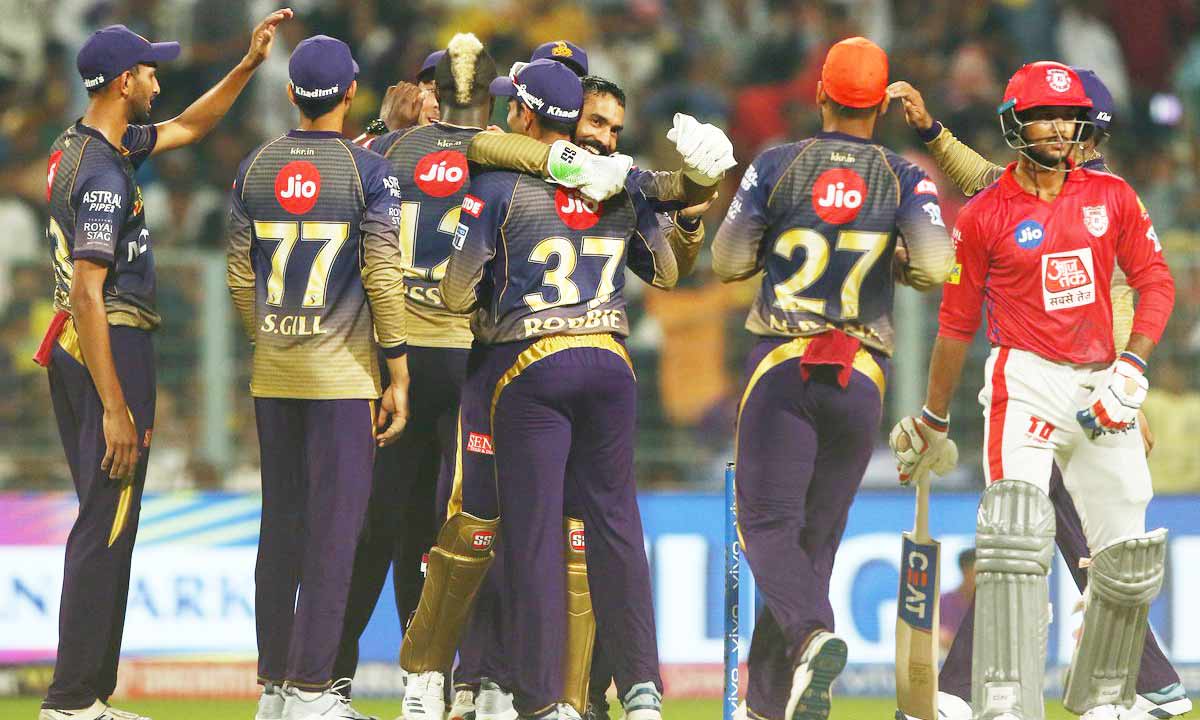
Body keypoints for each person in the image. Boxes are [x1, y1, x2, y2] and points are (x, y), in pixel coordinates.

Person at [888, 70, 1191, 720]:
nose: (1063, 133)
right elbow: (982, 198)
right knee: (1015, 537)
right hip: (1026, 380)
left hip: (1105, 379)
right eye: (1045, 117)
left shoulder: (1109, 195)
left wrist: (1129, 374)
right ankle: (995, 696)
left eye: (1072, 120)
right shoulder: (997, 204)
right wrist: (932, 131)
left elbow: (1145, 285)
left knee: (1121, 555)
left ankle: (1115, 693)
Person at [34, 11, 292, 720]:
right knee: (107, 520)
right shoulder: (104, 176)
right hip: (109, 343)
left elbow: (188, 128)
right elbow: (89, 291)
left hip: (77, 346)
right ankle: (70, 699)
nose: (157, 82)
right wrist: (116, 406)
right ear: (123, 81)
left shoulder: (80, 147)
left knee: (108, 518)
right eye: (149, 72)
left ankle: (88, 696)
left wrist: (247, 66)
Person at [428, 57, 682, 720]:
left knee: (534, 535)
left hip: (530, 366)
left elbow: (455, 291)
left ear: (523, 113)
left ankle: (544, 701)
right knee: (616, 526)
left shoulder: (496, 187)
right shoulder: (620, 186)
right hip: (612, 365)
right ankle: (643, 690)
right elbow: (667, 271)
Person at [712, 36, 954, 720]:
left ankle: (813, 635)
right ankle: (769, 703)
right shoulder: (904, 176)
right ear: (880, 105)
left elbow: (727, 262)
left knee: (766, 526)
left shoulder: (778, 163)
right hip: (863, 373)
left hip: (783, 367)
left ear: (820, 94)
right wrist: (895, 259)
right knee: (812, 544)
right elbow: (937, 266)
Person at [225, 34, 410, 720]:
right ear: (352, 92)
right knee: (335, 534)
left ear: (290, 94)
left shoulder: (254, 167)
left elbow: (239, 275)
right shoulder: (369, 174)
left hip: (275, 374)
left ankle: (275, 689)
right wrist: (398, 369)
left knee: (282, 529)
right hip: (342, 379)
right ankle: (310, 691)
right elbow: (383, 275)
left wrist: (271, 337)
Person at [938, 549, 975, 652]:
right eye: (977, 573)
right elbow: (940, 637)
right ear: (965, 571)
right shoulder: (943, 602)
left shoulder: (989, 604)